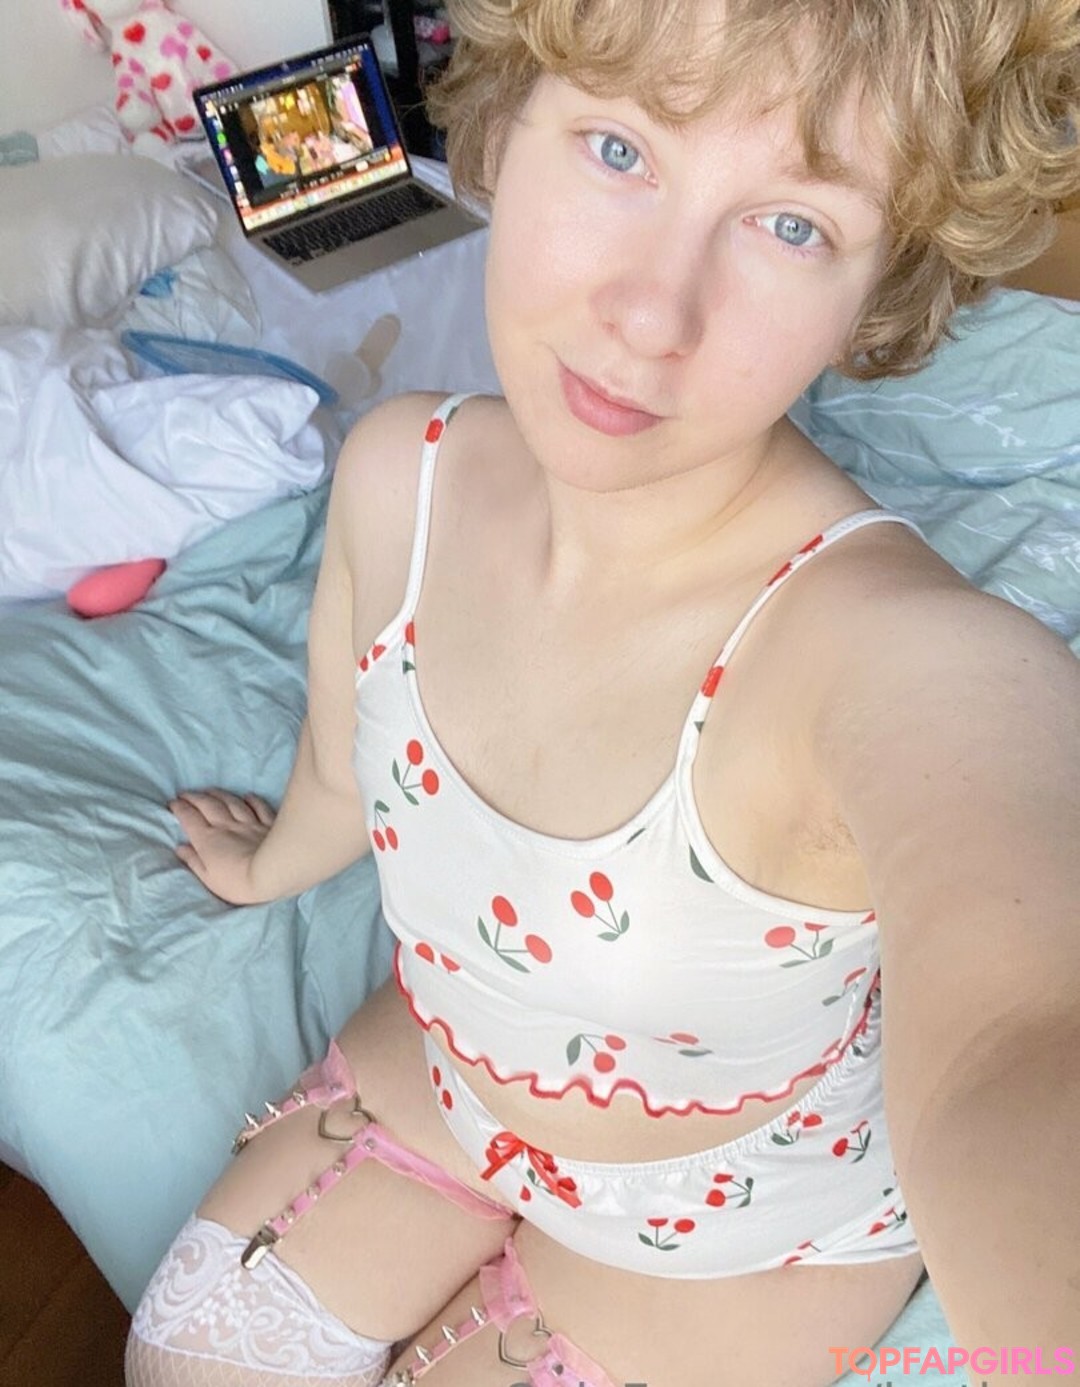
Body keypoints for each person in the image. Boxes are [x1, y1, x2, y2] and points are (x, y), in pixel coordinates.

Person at [124, 1, 1080, 1384]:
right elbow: (346, 763)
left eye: (793, 224)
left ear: (879, 289)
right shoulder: (398, 475)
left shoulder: (904, 659)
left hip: (743, 1238)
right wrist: (271, 866)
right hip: (454, 1071)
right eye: (621, 149)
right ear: (505, 123)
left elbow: (1024, 1026)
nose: (651, 314)